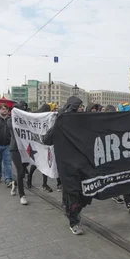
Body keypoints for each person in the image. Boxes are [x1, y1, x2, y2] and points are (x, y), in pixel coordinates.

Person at [44, 96, 89, 235]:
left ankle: (72, 210)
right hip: (67, 166)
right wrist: (58, 124)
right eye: (79, 106)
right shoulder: (61, 122)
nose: (82, 108)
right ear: (72, 107)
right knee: (73, 194)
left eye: (82, 106)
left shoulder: (86, 122)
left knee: (86, 194)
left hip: (84, 164)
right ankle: (73, 222)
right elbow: (47, 140)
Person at [110, 102, 130, 211]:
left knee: (125, 178)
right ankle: (115, 194)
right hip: (114, 156)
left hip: (125, 156)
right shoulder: (112, 123)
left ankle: (129, 202)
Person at [9, 101, 29, 204]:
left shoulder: (27, 120)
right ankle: (22, 195)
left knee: (23, 171)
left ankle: (15, 184)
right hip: (15, 149)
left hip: (26, 149)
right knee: (20, 171)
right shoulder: (10, 120)